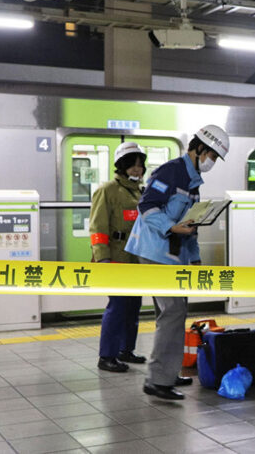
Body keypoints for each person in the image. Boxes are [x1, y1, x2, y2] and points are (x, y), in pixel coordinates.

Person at [125, 125, 230, 400]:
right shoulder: (171, 171)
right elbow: (147, 206)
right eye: (213, 156)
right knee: (172, 311)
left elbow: (190, 226)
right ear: (199, 149)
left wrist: (195, 259)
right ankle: (157, 380)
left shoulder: (194, 184)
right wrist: (172, 227)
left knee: (174, 311)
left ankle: (167, 373)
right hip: (153, 250)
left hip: (173, 256)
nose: (212, 162)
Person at [90, 142, 148, 373]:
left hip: (136, 257)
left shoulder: (141, 192)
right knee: (118, 305)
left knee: (133, 305)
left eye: (140, 166)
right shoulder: (107, 190)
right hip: (115, 257)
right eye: (132, 166)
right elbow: (97, 227)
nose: (137, 170)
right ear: (122, 166)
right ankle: (107, 356)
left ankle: (126, 350)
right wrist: (102, 258)